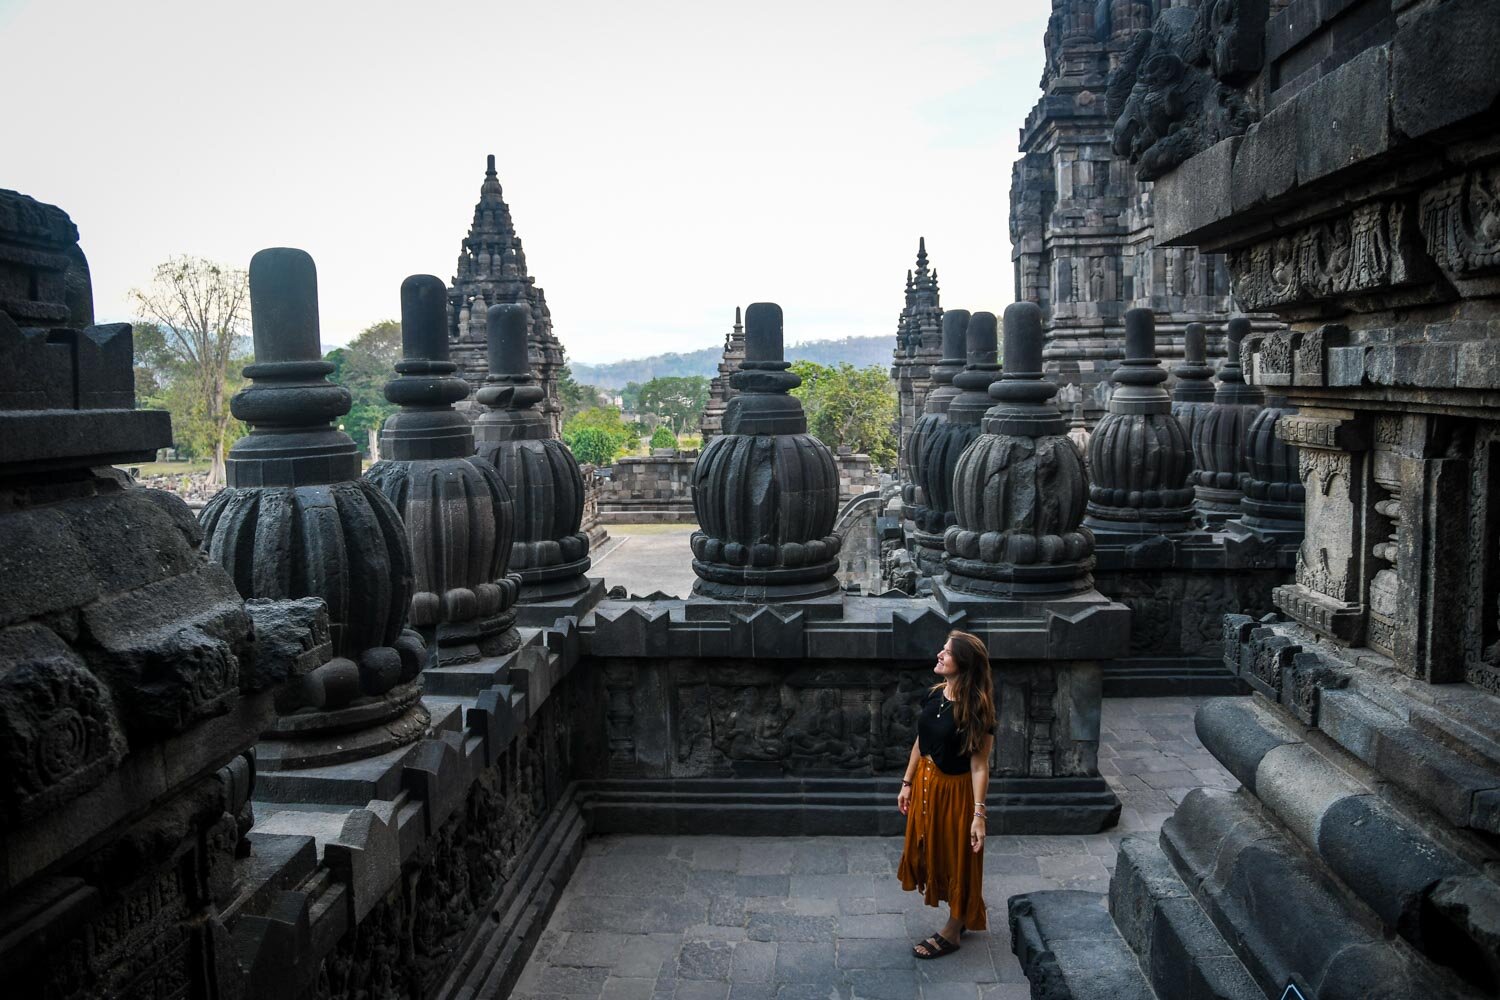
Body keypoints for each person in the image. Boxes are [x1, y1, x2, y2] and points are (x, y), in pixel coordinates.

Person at [896, 630, 997, 959]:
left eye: (947, 652)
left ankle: (953, 931)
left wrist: (978, 816)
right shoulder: (935, 695)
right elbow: (920, 741)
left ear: (963, 663)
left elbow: (980, 766)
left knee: (959, 857)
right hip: (927, 785)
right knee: (934, 849)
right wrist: (907, 782)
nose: (939, 654)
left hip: (956, 792)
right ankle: (961, 913)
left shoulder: (977, 710)